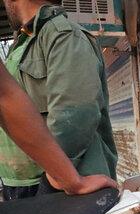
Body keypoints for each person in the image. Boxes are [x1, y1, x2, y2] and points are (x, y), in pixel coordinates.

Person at [0, 0, 117, 200]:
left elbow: (74, 113)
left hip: (55, 184)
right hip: (19, 183)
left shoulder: (63, 34)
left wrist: (56, 179)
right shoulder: (20, 44)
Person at [0, 60, 116, 195]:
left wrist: (67, 178)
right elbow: (5, 95)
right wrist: (69, 179)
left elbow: (6, 96)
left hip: (43, 174)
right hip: (19, 176)